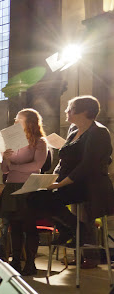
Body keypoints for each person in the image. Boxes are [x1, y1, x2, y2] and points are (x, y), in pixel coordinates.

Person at [33, 96, 114, 268]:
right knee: (37, 197)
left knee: (84, 217)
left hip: (89, 186)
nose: (66, 111)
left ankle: (89, 257)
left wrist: (60, 184)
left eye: (70, 109)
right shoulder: (72, 129)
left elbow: (87, 165)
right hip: (72, 183)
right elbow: (64, 162)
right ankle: (71, 230)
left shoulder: (99, 132)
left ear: (84, 111)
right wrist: (53, 179)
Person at [0, 109, 48, 275]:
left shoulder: (40, 142)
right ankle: (16, 261)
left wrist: (14, 167)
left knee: (29, 227)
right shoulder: (13, 142)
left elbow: (36, 165)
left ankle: (30, 263)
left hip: (29, 188)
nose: (15, 123)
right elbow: (4, 169)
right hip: (12, 186)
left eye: (19, 120)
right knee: (14, 227)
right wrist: (6, 158)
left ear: (30, 122)